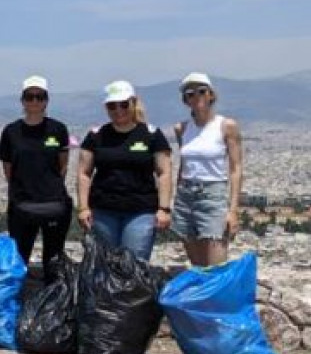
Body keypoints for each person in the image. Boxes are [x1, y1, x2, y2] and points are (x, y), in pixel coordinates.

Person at [76, 80, 172, 262]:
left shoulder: (152, 135)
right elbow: (83, 172)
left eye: (124, 104)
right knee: (103, 264)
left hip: (141, 211)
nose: (118, 110)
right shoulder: (96, 136)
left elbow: (164, 172)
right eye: (112, 106)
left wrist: (164, 209)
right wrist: (83, 207)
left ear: (133, 103)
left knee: (135, 263)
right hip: (103, 210)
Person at [0, 75, 72, 277]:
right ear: (22, 100)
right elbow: (8, 169)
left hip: (53, 203)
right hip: (22, 205)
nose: (35, 101)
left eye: (40, 97)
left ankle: (54, 304)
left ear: (47, 100)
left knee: (54, 261)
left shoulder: (58, 129)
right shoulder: (11, 132)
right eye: (30, 97)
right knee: (19, 259)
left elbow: (62, 165)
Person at [172, 72, 243, 267]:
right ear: (185, 100)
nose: (196, 97)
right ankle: (202, 298)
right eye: (190, 94)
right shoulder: (181, 128)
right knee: (198, 266)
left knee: (216, 265)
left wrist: (233, 210)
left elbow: (236, 169)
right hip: (185, 195)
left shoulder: (226, 126)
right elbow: (184, 164)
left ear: (211, 94)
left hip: (213, 194)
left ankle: (217, 298)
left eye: (201, 91)